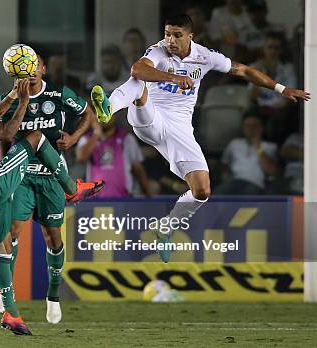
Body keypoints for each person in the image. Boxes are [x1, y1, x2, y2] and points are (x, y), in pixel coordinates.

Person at [90, 14, 310, 262]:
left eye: (176, 35)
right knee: (138, 83)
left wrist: (281, 89)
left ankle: (167, 227)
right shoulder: (158, 51)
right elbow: (138, 68)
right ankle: (108, 106)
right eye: (167, 34)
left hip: (180, 129)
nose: (170, 40)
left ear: (190, 36)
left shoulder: (205, 56)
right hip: (150, 117)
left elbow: (244, 70)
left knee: (202, 190)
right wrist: (174, 77)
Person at [0, 63, 103, 335]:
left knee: (2, 246)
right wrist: (21, 102)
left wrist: (7, 99)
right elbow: (6, 134)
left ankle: (11, 313)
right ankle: (72, 188)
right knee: (36, 137)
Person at [0, 54, 97, 324]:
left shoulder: (58, 94)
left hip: (52, 177)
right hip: (23, 177)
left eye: (35, 65)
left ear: (43, 68)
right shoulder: (12, 97)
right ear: (17, 72)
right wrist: (6, 166)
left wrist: (74, 137)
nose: (31, 71)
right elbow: (5, 134)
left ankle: (53, 297)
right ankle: (7, 293)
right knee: (10, 231)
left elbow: (87, 112)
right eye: (25, 67)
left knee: (53, 238)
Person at [76, 117, 151, 198]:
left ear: (114, 116)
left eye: (108, 114)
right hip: (95, 200)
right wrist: (96, 134)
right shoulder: (87, 138)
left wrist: (148, 195)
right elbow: (81, 157)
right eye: (100, 115)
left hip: (123, 199)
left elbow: (138, 169)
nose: (104, 118)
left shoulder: (126, 138)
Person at [215, 114, 279, 195]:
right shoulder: (235, 144)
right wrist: (225, 176)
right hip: (233, 182)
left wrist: (258, 147)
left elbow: (271, 172)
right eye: (247, 126)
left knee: (248, 195)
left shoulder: (270, 147)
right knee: (219, 192)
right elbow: (224, 165)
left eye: (254, 126)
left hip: (255, 184)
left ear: (261, 128)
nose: (250, 129)